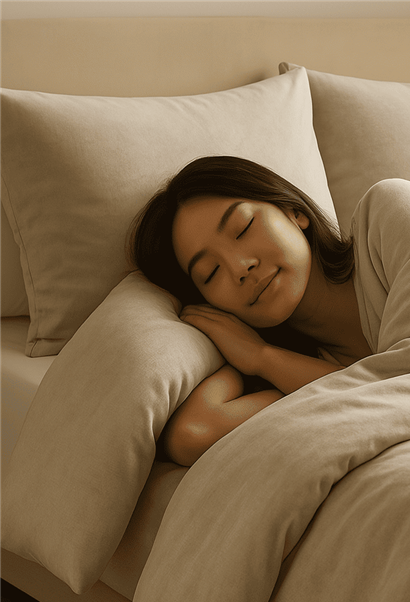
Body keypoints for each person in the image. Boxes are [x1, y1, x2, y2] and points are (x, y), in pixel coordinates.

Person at [129, 156, 372, 466]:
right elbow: (193, 433)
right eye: (210, 271)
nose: (240, 267)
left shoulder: (386, 239)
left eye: (242, 228)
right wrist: (261, 358)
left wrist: (262, 357)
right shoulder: (293, 366)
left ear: (293, 211)